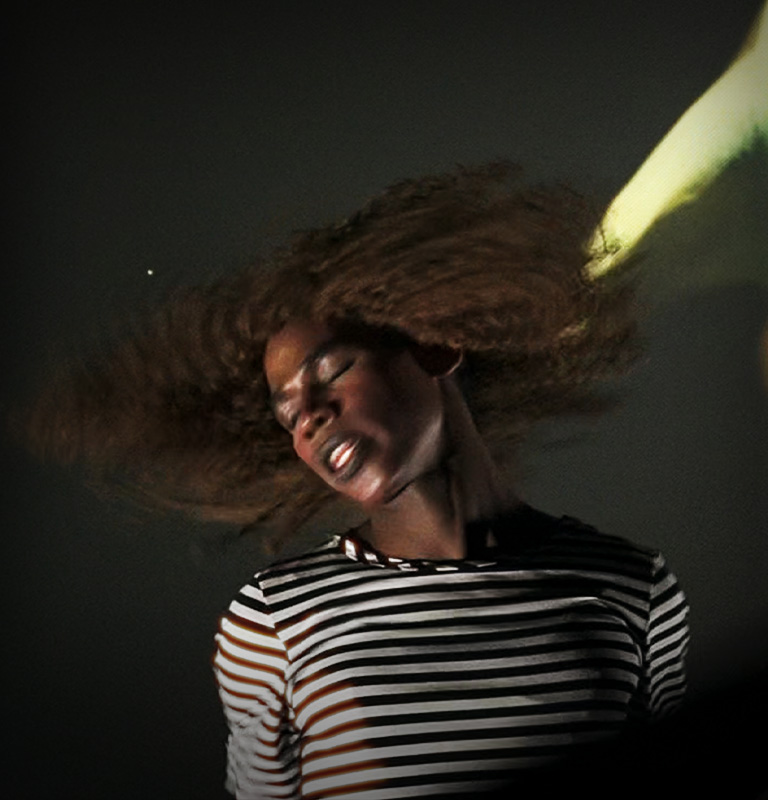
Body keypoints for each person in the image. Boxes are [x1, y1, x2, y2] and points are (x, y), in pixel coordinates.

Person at [22, 164, 688, 798]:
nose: (309, 417)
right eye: (289, 415)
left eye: (331, 372)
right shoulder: (274, 620)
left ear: (434, 346)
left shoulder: (632, 585)